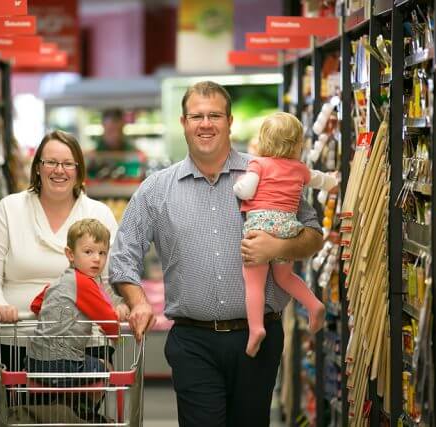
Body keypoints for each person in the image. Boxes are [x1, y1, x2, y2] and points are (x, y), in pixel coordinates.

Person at [109, 81, 323, 427]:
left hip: (258, 339)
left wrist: (280, 247)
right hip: (192, 342)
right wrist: (138, 301)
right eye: (197, 116)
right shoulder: (157, 188)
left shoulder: (267, 170)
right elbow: (123, 256)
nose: (205, 124)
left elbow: (314, 234)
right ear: (184, 123)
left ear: (230, 121)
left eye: (214, 115)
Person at [0, 129, 127, 392]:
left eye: (68, 164)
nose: (59, 170)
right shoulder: (11, 209)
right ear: (37, 168)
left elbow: (113, 277)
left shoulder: (97, 213)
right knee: (21, 416)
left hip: (82, 350)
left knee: (74, 418)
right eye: (51, 162)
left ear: (78, 171)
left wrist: (120, 306)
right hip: (14, 340)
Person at [233, 112, 338, 357]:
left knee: (254, 283)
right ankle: (314, 304)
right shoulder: (299, 169)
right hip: (288, 228)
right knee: (285, 277)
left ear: (263, 141)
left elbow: (246, 191)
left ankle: (256, 329)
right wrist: (333, 181)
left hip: (261, 226)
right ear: (297, 144)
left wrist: (238, 185)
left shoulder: (258, 164)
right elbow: (321, 181)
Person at [27, 219, 121, 422]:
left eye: (102, 253)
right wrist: (116, 335)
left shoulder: (61, 280)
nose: (96, 259)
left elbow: (35, 305)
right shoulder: (85, 284)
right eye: (88, 252)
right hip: (62, 365)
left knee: (88, 366)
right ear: (70, 254)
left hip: (34, 362)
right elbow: (109, 321)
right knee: (105, 368)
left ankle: (71, 412)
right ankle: (84, 415)